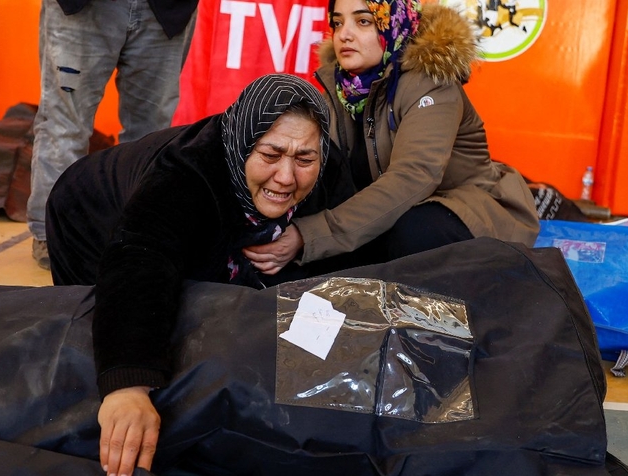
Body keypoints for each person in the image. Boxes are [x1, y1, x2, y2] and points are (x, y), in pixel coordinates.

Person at [44, 74, 332, 474]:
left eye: (304, 160)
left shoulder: (322, 163)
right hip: (88, 212)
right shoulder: (185, 177)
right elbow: (139, 263)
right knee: (100, 340)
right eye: (270, 155)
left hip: (190, 224)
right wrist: (127, 386)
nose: (286, 176)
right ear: (243, 143)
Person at [243, 0, 540, 275]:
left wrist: (309, 235)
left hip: (467, 211)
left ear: (393, 22)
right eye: (337, 22)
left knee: (413, 232)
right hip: (386, 212)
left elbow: (413, 176)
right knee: (301, 247)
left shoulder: (430, 81)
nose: (344, 34)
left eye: (363, 21)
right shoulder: (341, 88)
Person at [28, 0, 198, 270]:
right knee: (65, 127)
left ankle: (136, 233)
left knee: (151, 135)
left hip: (165, 10)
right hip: (84, 8)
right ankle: (52, 233)